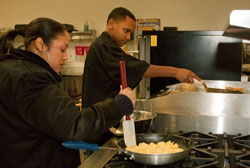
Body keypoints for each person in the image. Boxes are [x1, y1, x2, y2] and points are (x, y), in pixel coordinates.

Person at [0, 17, 135, 168]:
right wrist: (119, 104)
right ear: (40, 45)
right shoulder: (32, 78)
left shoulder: (10, 67)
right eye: (62, 50)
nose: (66, 57)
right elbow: (75, 125)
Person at [82, 7, 202, 108]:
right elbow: (139, 68)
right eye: (126, 31)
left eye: (131, 33)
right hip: (98, 122)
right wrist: (175, 72)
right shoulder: (103, 46)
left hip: (102, 117)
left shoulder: (106, 45)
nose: (129, 37)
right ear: (111, 24)